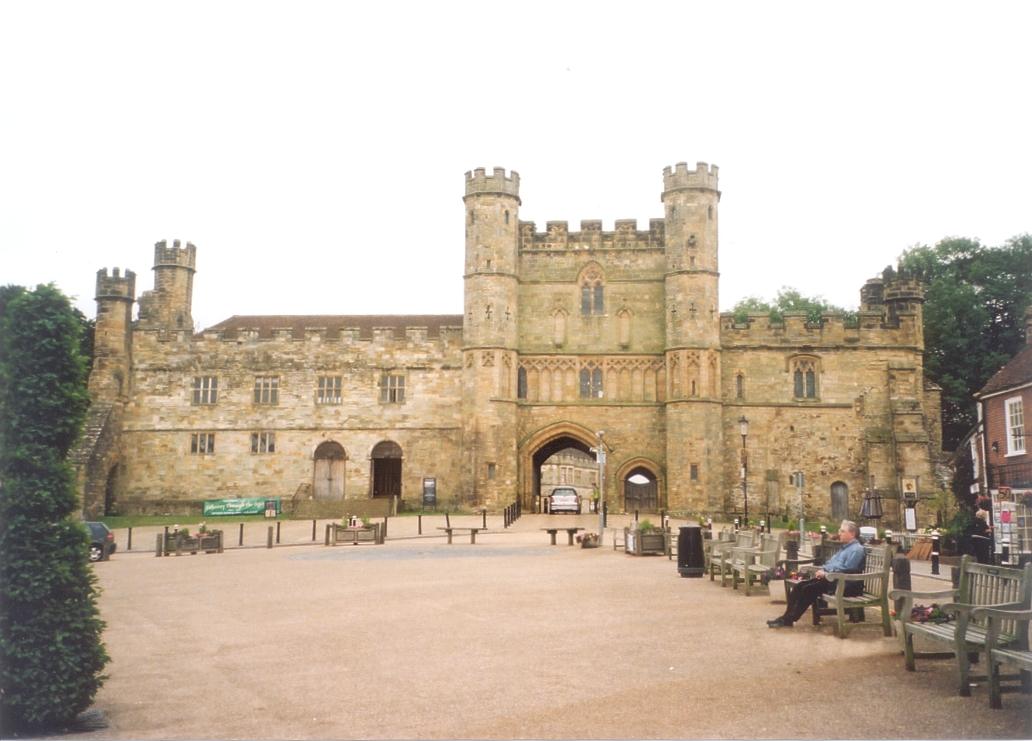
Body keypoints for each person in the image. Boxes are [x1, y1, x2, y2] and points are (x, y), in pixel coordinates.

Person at [767, 520, 866, 628]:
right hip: (834, 580)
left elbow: (849, 569)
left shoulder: (857, 550)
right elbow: (831, 564)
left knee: (808, 589)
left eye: (842, 531)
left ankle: (789, 619)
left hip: (846, 585)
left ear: (852, 534)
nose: (839, 533)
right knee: (800, 586)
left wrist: (827, 573)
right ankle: (786, 618)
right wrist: (822, 570)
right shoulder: (845, 548)